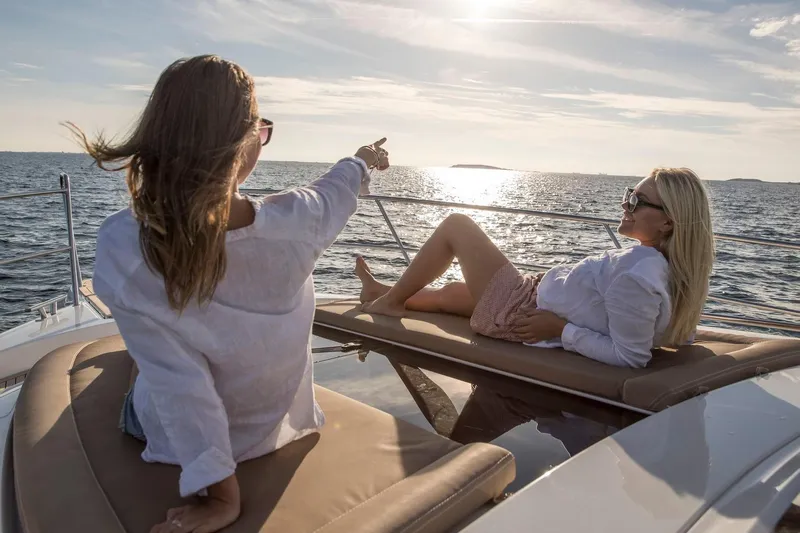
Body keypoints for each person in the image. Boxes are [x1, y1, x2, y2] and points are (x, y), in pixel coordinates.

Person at [65, 54, 389, 533]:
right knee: (157, 350)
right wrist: (363, 158)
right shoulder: (299, 221)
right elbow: (336, 187)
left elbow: (182, 387)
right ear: (244, 143)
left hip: (182, 446)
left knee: (150, 359)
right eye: (260, 129)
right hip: (271, 428)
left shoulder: (124, 245)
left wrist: (221, 494)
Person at [358, 168, 715, 369]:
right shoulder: (664, 266)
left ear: (668, 222)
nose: (625, 204)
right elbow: (667, 329)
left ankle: (389, 303)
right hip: (532, 296)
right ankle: (382, 293)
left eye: (636, 201)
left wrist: (561, 330)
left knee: (456, 225)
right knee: (451, 295)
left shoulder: (638, 277)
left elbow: (630, 356)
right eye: (627, 195)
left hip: (522, 311)